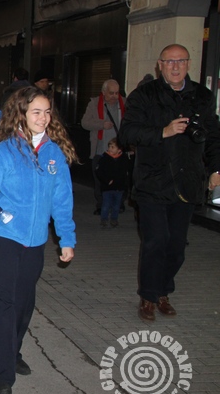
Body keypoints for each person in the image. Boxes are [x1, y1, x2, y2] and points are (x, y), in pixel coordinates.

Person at [0, 86, 77, 394]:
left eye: (47, 112)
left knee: (24, 304)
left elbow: (62, 200)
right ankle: (2, 375)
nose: (43, 118)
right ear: (21, 114)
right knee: (4, 302)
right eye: (36, 112)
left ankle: (13, 349)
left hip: (36, 242)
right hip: (5, 238)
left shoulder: (53, 154)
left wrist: (66, 238)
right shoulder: (3, 153)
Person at [118, 44, 220, 322]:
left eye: (181, 61)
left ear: (188, 64)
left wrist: (215, 168)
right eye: (170, 62)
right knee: (156, 241)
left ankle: (163, 291)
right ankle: (149, 296)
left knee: (176, 246)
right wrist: (163, 131)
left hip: (186, 184)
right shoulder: (145, 95)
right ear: (160, 65)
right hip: (152, 182)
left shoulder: (202, 96)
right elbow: (127, 133)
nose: (175, 67)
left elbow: (213, 136)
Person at [81, 79, 125, 214]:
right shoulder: (94, 104)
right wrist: (101, 124)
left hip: (119, 150)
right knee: (100, 178)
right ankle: (101, 204)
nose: (114, 96)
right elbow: (85, 123)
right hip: (101, 150)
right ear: (104, 92)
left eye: (117, 93)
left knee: (120, 178)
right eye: (111, 93)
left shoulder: (124, 103)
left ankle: (119, 204)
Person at [95, 138, 130, 228]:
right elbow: (99, 172)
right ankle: (104, 219)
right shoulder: (104, 158)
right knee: (106, 204)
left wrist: (124, 184)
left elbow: (125, 172)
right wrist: (106, 180)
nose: (110, 149)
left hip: (119, 187)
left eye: (112, 147)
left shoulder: (123, 158)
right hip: (107, 187)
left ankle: (114, 219)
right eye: (109, 146)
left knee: (116, 205)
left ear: (119, 149)